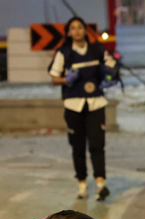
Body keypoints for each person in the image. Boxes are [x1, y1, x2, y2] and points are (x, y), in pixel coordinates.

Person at [48, 16, 117, 201]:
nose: (77, 31)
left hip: (96, 103)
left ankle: (101, 184)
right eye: (73, 28)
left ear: (86, 30)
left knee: (97, 145)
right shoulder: (64, 53)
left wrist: (109, 76)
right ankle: (82, 185)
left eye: (80, 27)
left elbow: (112, 66)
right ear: (69, 32)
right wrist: (65, 79)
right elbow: (54, 77)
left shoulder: (97, 50)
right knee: (78, 147)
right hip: (73, 105)